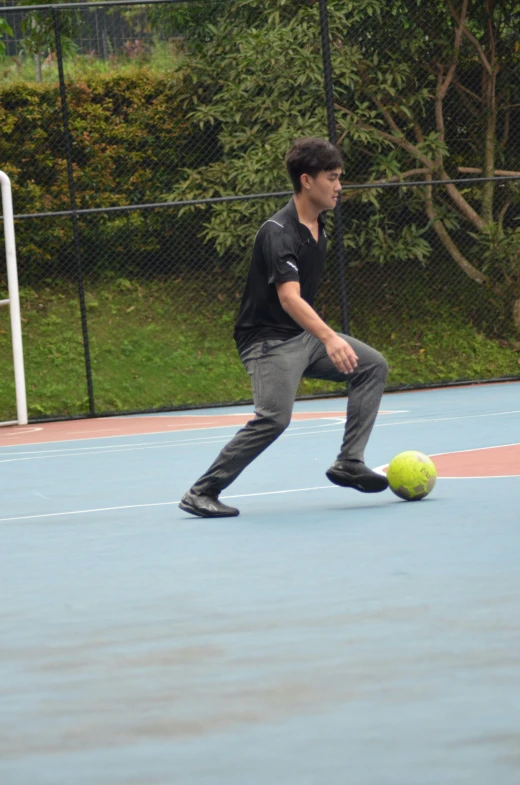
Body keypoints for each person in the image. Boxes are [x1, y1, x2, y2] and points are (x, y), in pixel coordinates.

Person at [179, 137, 389, 518]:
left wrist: (320, 336)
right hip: (267, 341)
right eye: (333, 178)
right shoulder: (278, 231)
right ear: (307, 181)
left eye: (340, 177)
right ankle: (202, 490)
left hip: (299, 336)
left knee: (372, 366)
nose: (339, 186)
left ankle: (349, 462)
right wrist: (329, 337)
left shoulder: (318, 224)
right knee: (274, 417)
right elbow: (290, 298)